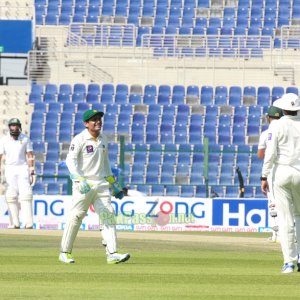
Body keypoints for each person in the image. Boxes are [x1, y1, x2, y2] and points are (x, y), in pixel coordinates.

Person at [59, 109, 130, 264]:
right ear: (86, 123)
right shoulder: (79, 139)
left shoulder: (103, 139)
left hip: (101, 185)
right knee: (76, 217)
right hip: (84, 184)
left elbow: (106, 164)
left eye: (99, 119)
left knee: (108, 216)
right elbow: (70, 160)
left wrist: (114, 185)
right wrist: (78, 179)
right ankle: (65, 252)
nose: (98, 122)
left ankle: (112, 253)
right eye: (94, 120)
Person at [261, 93, 300, 273]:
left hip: (282, 173)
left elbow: (270, 153)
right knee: (299, 217)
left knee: (285, 219)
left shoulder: (276, 125)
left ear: (283, 108)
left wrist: (264, 176)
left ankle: (289, 263)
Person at [0, 118, 35, 229]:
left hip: (23, 168)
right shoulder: (4, 140)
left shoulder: (25, 139)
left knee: (26, 194)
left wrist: (32, 170)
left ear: (19, 126)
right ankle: (15, 223)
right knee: (11, 195)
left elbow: (30, 155)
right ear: (9, 127)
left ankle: (29, 223)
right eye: (12, 125)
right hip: (10, 168)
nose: (14, 127)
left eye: (16, 125)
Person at [257, 106, 283, 242]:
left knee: (273, 203)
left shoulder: (266, 134)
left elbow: (261, 155)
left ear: (268, 118)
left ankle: (276, 235)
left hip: (273, 170)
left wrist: (264, 176)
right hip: (290, 168)